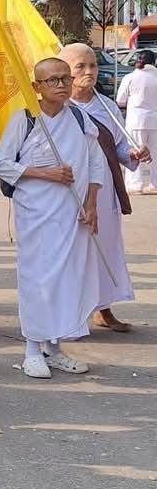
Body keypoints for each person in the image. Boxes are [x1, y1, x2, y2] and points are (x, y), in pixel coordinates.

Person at [0, 57, 102, 379]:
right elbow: (2, 164)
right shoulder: (25, 119)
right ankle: (32, 350)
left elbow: (95, 164)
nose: (61, 85)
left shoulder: (80, 118)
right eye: (52, 80)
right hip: (36, 216)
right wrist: (47, 174)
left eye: (65, 78)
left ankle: (54, 349)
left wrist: (92, 204)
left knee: (66, 280)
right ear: (36, 86)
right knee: (37, 280)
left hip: (72, 216)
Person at [63, 43, 148, 332]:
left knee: (106, 248)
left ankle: (103, 308)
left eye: (93, 65)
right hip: (69, 191)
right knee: (73, 250)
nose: (89, 72)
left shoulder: (108, 107)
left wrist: (133, 154)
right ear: (66, 71)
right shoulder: (59, 108)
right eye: (81, 66)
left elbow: (119, 148)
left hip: (104, 189)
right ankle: (71, 312)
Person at [115, 49, 157, 193]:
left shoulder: (130, 77)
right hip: (155, 120)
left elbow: (120, 100)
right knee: (155, 153)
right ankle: (154, 184)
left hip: (136, 120)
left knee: (135, 152)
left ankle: (135, 184)